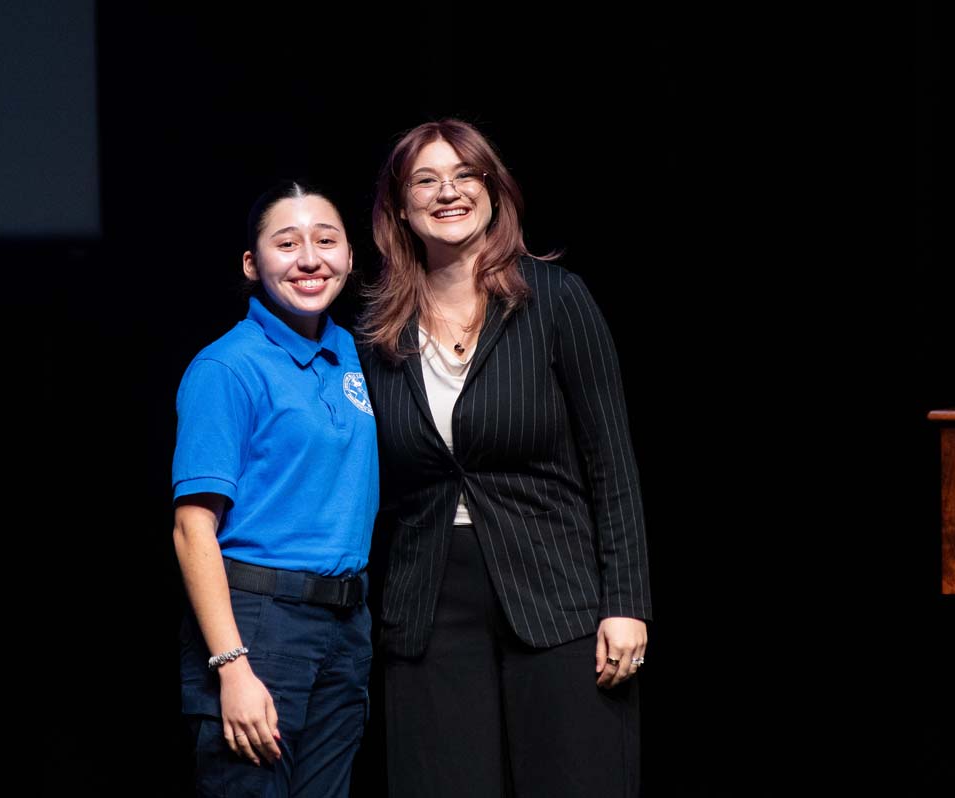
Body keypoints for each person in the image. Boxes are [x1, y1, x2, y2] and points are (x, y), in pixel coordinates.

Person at [358, 119, 652, 797]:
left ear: (494, 192)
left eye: (466, 176)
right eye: (425, 181)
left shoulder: (554, 299)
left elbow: (612, 462)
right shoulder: (377, 329)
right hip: (428, 612)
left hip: (558, 599)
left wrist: (628, 603)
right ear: (400, 206)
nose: (448, 192)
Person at [171, 182, 379, 797]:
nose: (309, 259)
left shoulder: (354, 354)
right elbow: (191, 529)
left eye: (326, 241)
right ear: (251, 263)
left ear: (348, 255)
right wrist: (231, 668)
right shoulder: (228, 367)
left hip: (346, 625)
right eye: (286, 244)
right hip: (260, 624)